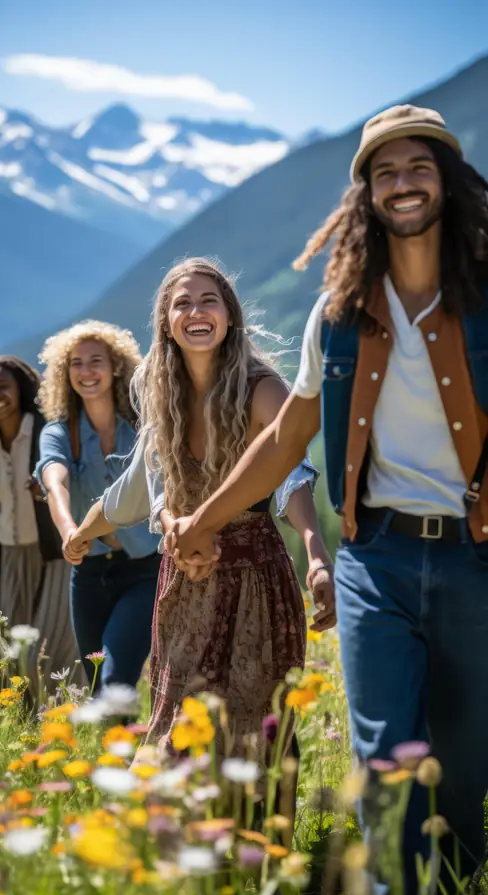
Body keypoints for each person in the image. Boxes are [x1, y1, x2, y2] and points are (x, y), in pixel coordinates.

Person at [170, 107, 488, 895]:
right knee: (384, 762)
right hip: (374, 558)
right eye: (384, 172)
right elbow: (283, 440)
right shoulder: (339, 315)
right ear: (365, 196)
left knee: (466, 762)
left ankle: (455, 890)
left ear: (446, 180)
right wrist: (202, 521)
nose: (402, 183)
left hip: (477, 555)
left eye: (418, 167)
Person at [68, 258, 335, 765]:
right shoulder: (160, 390)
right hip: (185, 581)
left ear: (230, 315)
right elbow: (146, 482)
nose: (196, 311)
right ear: (165, 322)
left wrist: (315, 551)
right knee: (182, 724)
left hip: (254, 579)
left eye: (208, 300)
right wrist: (84, 532)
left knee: (255, 729)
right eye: (182, 303)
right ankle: (186, 836)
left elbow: (291, 473)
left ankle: (258, 840)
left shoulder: (263, 388)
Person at [35, 321, 161, 693]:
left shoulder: (143, 426)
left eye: (96, 361)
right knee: (95, 684)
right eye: (76, 363)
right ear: (65, 372)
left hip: (145, 571)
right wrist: (69, 531)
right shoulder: (60, 433)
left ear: (116, 367)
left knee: (115, 676)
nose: (86, 372)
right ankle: (114, 751)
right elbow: (53, 482)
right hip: (88, 575)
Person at [0, 355, 81, 689]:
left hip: (55, 557)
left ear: (21, 388)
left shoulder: (47, 432)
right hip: (11, 560)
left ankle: (66, 718)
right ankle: (31, 724)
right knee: (16, 651)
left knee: (51, 648)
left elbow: (75, 485)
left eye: (4, 386)